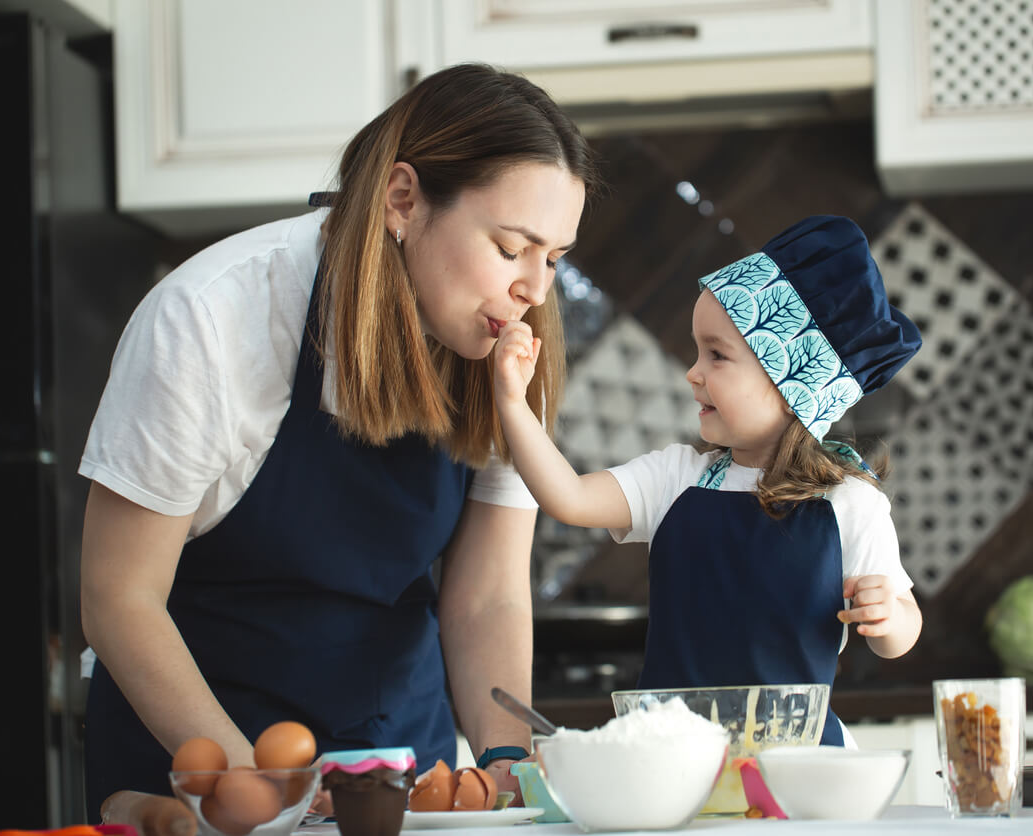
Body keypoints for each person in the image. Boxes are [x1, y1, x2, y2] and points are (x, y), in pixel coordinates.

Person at [78, 63, 598, 813]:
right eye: (511, 247)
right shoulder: (210, 319)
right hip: (196, 769)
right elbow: (119, 595)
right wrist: (256, 784)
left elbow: (487, 595)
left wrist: (505, 760)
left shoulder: (511, 347)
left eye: (554, 258)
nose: (535, 290)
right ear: (403, 199)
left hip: (398, 766)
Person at [493, 215, 923, 745]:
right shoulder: (675, 478)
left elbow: (902, 629)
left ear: (794, 386)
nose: (693, 372)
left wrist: (888, 617)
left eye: (717, 355)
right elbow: (569, 497)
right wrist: (513, 404)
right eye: (699, 352)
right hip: (673, 764)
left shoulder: (850, 503)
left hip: (795, 765)